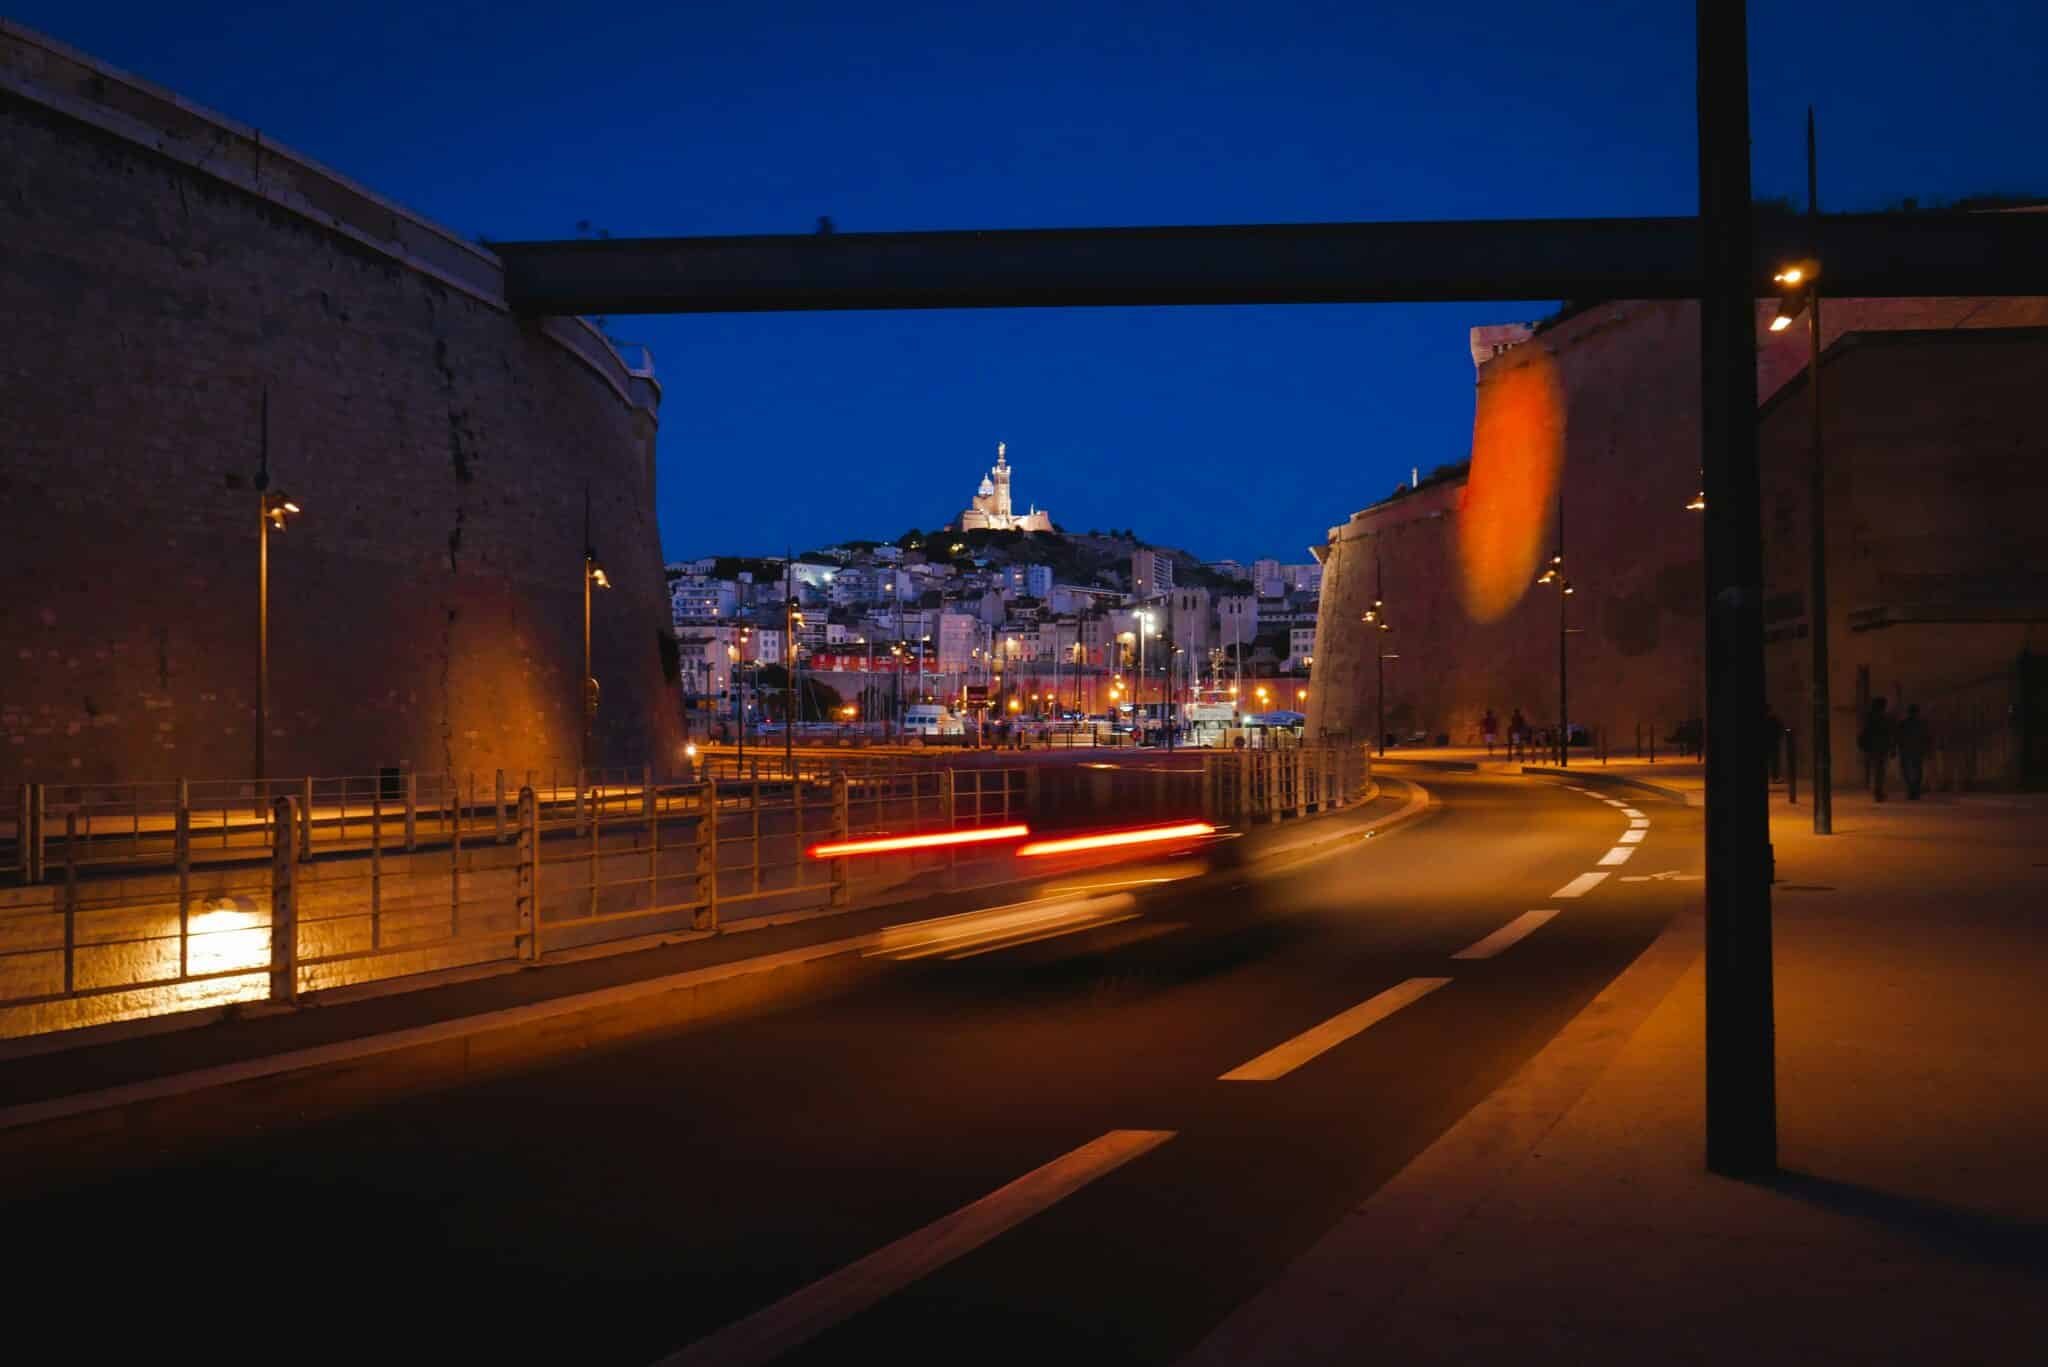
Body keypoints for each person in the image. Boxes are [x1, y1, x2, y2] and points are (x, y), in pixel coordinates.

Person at [1858, 698, 1894, 801]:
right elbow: (1888, 733)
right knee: (1879, 770)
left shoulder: (1869, 717)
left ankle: (1876, 790)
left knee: (1875, 769)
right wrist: (1891, 747)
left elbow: (1864, 731)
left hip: (1872, 747)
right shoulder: (1884, 718)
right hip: (1881, 747)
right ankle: (1878, 791)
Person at [1894, 703, 1931, 800]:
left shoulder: (1903, 723)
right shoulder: (1921, 724)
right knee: (1917, 770)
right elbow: (1926, 737)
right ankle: (1915, 789)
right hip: (1917, 750)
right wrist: (1926, 749)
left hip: (1906, 750)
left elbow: (1898, 737)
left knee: (1907, 770)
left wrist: (1896, 747)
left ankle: (1911, 788)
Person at [1761, 703, 1785, 783]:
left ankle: (1775, 777)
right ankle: (1775, 777)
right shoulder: (1774, 719)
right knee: (1774, 761)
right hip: (1773, 742)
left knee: (1774, 761)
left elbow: (1780, 729)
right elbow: (1781, 729)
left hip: (1772, 742)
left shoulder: (1774, 719)